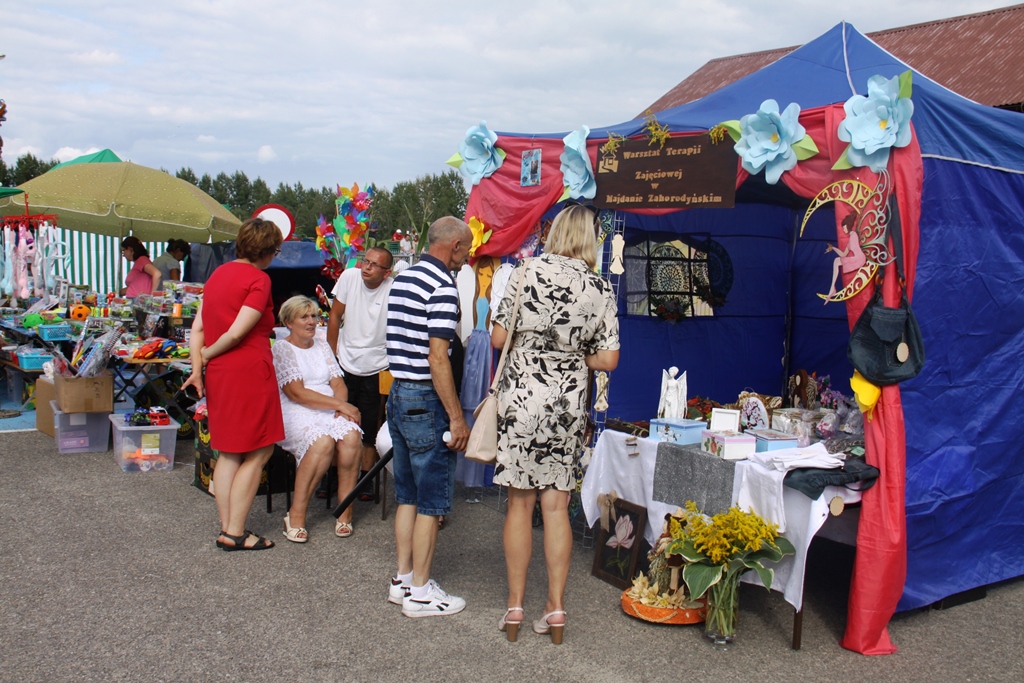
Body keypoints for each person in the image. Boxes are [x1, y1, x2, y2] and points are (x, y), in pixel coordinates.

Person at [491, 204, 620, 644]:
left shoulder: (522, 273)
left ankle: (514, 606)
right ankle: (556, 608)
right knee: (555, 505)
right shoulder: (600, 287)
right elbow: (608, 359)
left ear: (556, 231)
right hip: (566, 404)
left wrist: (535, 350)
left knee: (518, 505)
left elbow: (497, 338)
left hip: (521, 400)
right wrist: (569, 356)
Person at [385, 216, 473, 618]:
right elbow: (437, 356)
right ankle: (421, 592)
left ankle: (403, 578)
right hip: (425, 398)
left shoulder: (403, 277)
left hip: (399, 390)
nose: (466, 258)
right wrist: (456, 417)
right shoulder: (441, 285)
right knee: (431, 500)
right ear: (454, 245)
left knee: (407, 494)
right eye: (466, 250)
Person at [181, 217, 284, 551]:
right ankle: (236, 531)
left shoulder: (217, 275)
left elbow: (197, 328)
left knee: (228, 452)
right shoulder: (259, 279)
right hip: (248, 370)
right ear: (267, 251)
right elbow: (238, 331)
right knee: (259, 450)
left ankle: (228, 527)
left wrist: (199, 367)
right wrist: (208, 354)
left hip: (221, 375)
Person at [273, 296, 363, 542]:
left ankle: (345, 511)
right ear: (289, 322)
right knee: (322, 441)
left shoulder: (322, 345)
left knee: (352, 436)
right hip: (295, 409)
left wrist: (342, 407)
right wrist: (341, 405)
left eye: (314, 316)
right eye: (304, 317)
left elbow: (338, 382)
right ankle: (296, 515)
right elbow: (297, 393)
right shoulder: (282, 348)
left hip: (330, 405)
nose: (312, 321)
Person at [326, 246, 394, 500]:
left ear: (386, 272)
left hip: (377, 366)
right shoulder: (349, 277)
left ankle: (366, 479)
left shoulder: (392, 289)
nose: (366, 267)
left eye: (374, 264)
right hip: (345, 361)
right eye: (365, 261)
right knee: (338, 423)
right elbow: (335, 316)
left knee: (369, 427)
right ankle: (331, 477)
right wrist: (331, 358)